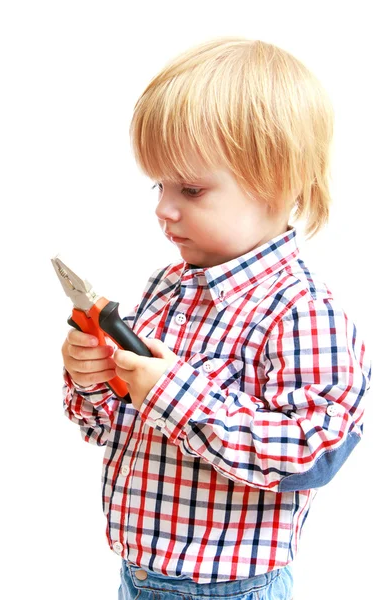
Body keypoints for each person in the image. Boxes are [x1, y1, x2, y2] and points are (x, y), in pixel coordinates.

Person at [61, 37, 371, 600]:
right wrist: (94, 377)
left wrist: (174, 393)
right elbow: (110, 428)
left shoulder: (302, 312)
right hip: (138, 575)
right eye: (160, 184)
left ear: (277, 182)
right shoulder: (167, 289)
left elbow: (314, 453)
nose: (163, 208)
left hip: (230, 589)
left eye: (192, 189)